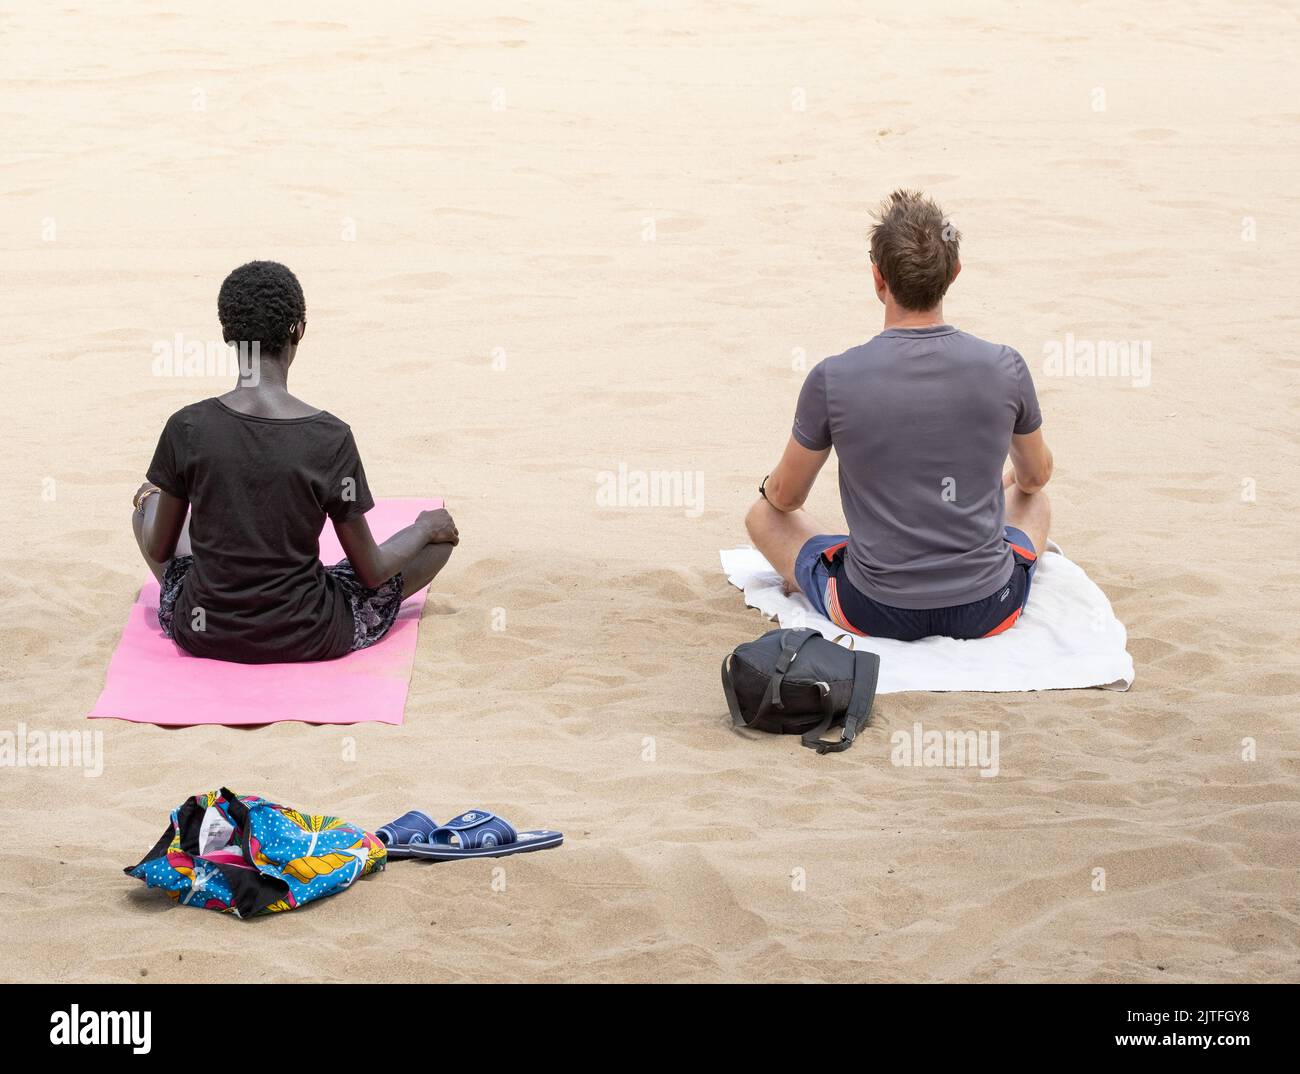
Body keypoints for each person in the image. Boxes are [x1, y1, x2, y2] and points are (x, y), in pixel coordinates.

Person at [745, 190, 1054, 641]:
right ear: (955, 273)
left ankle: (861, 560)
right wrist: (1004, 482)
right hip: (987, 609)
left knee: (761, 515)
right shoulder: (1005, 365)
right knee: (1034, 500)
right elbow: (1036, 477)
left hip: (874, 611)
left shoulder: (833, 377)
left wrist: (772, 490)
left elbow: (785, 499)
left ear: (878, 279)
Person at [132, 260, 458, 663]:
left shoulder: (186, 427)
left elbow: (160, 548)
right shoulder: (330, 437)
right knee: (437, 546)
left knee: (145, 510)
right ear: (300, 328)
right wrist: (424, 527)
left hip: (205, 630)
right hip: (309, 631)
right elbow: (371, 571)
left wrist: (148, 500)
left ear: (226, 334)